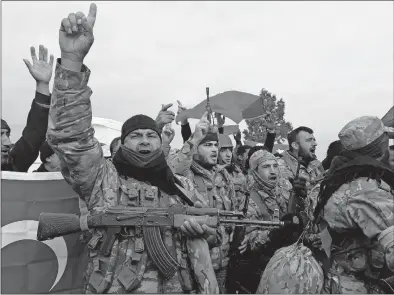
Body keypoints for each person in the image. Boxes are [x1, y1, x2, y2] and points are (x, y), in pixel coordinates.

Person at [46, 5, 219, 293]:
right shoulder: (103, 179)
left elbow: (213, 233)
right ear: (122, 143)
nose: (145, 141)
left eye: (151, 135)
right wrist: (72, 62)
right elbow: (71, 137)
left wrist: (203, 230)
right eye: (135, 135)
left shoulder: (182, 184)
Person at [312, 116, 394, 294]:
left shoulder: (337, 179)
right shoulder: (368, 191)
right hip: (356, 285)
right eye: (387, 142)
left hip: (334, 277)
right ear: (380, 147)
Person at [169, 115, 237, 293]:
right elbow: (174, 168)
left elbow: (232, 213)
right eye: (207, 145)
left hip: (222, 262)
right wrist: (195, 137)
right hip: (191, 263)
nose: (214, 149)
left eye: (216, 145)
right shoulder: (185, 175)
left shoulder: (223, 175)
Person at [1, 45, 54, 172]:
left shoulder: (11, 165)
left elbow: (33, 136)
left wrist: (42, 85)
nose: (8, 143)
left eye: (7, 134)